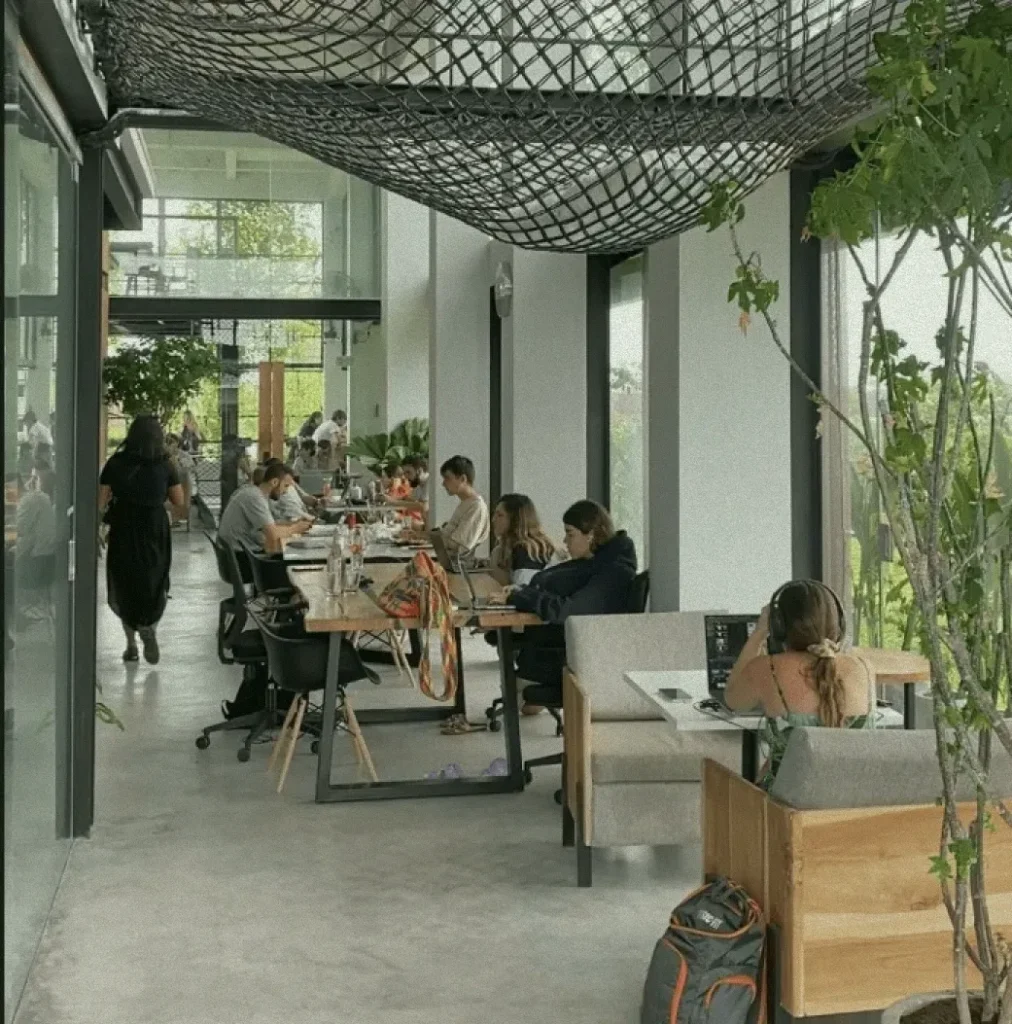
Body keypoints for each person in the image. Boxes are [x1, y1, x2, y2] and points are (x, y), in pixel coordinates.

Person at [724, 579, 874, 787]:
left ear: (778, 626)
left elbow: (732, 699)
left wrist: (759, 633)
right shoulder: (863, 667)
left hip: (789, 802)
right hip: (854, 800)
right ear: (839, 624)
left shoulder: (767, 668)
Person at [504, 500, 637, 713]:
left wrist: (521, 596)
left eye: (570, 533)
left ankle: (522, 692)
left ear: (591, 534)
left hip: (580, 657)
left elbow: (567, 610)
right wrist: (521, 593)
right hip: (569, 646)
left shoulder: (614, 573)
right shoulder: (597, 563)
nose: (565, 541)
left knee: (513, 676)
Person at [99, 415, 186, 664]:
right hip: (154, 528)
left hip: (124, 527)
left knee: (125, 584)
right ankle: (149, 628)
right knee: (153, 582)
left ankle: (131, 646)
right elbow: (179, 501)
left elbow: (100, 501)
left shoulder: (116, 463)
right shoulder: (165, 465)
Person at [217, 462, 311, 554]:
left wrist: (293, 523)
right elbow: (273, 534)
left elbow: (269, 525)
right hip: (240, 555)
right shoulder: (255, 497)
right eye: (285, 486)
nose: (286, 491)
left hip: (238, 551)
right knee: (299, 555)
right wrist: (295, 528)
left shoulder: (255, 492)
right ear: (274, 482)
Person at [414, 455, 489, 558]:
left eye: (447, 478)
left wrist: (430, 537)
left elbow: (457, 545)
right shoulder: (466, 503)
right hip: (444, 558)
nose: (443, 484)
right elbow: (448, 536)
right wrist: (419, 535)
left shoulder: (476, 507)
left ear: (463, 479)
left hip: (454, 563)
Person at [488, 493, 557, 587]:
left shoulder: (526, 550)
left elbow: (524, 587)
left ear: (516, 520)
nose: (493, 520)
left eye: (500, 515)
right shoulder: (506, 549)